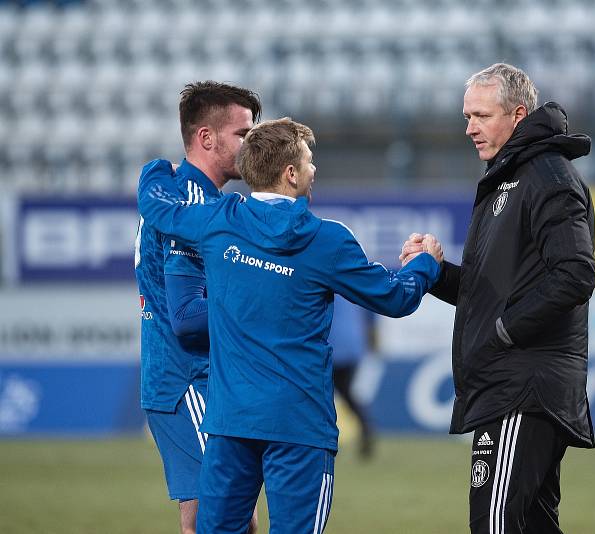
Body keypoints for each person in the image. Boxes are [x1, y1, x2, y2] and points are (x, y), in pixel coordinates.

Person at [137, 118, 443, 534]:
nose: (315, 169)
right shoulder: (328, 241)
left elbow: (158, 209)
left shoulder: (216, 221)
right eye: (309, 160)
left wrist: (155, 170)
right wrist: (425, 264)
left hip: (231, 426)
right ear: (291, 173)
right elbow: (396, 297)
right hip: (300, 428)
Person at [401, 63, 595, 534]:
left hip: (524, 388)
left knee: (496, 526)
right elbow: (493, 294)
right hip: (513, 385)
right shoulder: (508, 176)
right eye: (466, 116)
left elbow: (576, 272)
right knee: (529, 525)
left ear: (518, 114)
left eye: (482, 116)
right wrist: (436, 273)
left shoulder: (546, 175)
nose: (470, 127)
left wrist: (505, 330)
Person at [134, 81, 261, 534]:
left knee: (233, 518)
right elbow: (188, 318)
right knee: (213, 519)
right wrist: (260, 310)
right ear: (206, 138)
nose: (253, 143)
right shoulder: (188, 203)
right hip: (185, 377)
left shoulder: (190, 197)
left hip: (206, 377)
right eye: (243, 133)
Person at [329, 294, 374, 459]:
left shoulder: (321, 278)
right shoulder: (351, 277)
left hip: (331, 345)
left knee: (321, 397)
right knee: (346, 393)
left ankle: (324, 442)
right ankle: (367, 430)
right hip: (354, 346)